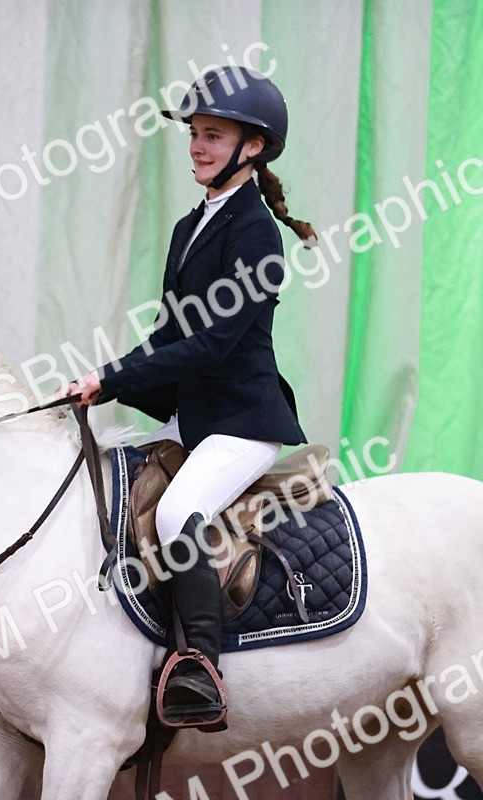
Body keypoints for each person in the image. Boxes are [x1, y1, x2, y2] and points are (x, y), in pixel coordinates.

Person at [58, 66, 314, 727]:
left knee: (176, 517)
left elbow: (214, 345)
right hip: (194, 414)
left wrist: (112, 379)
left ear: (251, 147)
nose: (198, 147)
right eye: (195, 135)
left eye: (213, 135)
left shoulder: (256, 232)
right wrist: (99, 382)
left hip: (242, 421)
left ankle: (199, 664)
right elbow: (171, 335)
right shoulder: (188, 226)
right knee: (106, 479)